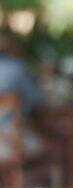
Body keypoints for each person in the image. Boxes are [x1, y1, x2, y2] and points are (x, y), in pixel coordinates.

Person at [0, 31, 44, 160]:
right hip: (10, 140)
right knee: (50, 146)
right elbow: (37, 99)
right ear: (12, 48)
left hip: (6, 138)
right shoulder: (17, 68)